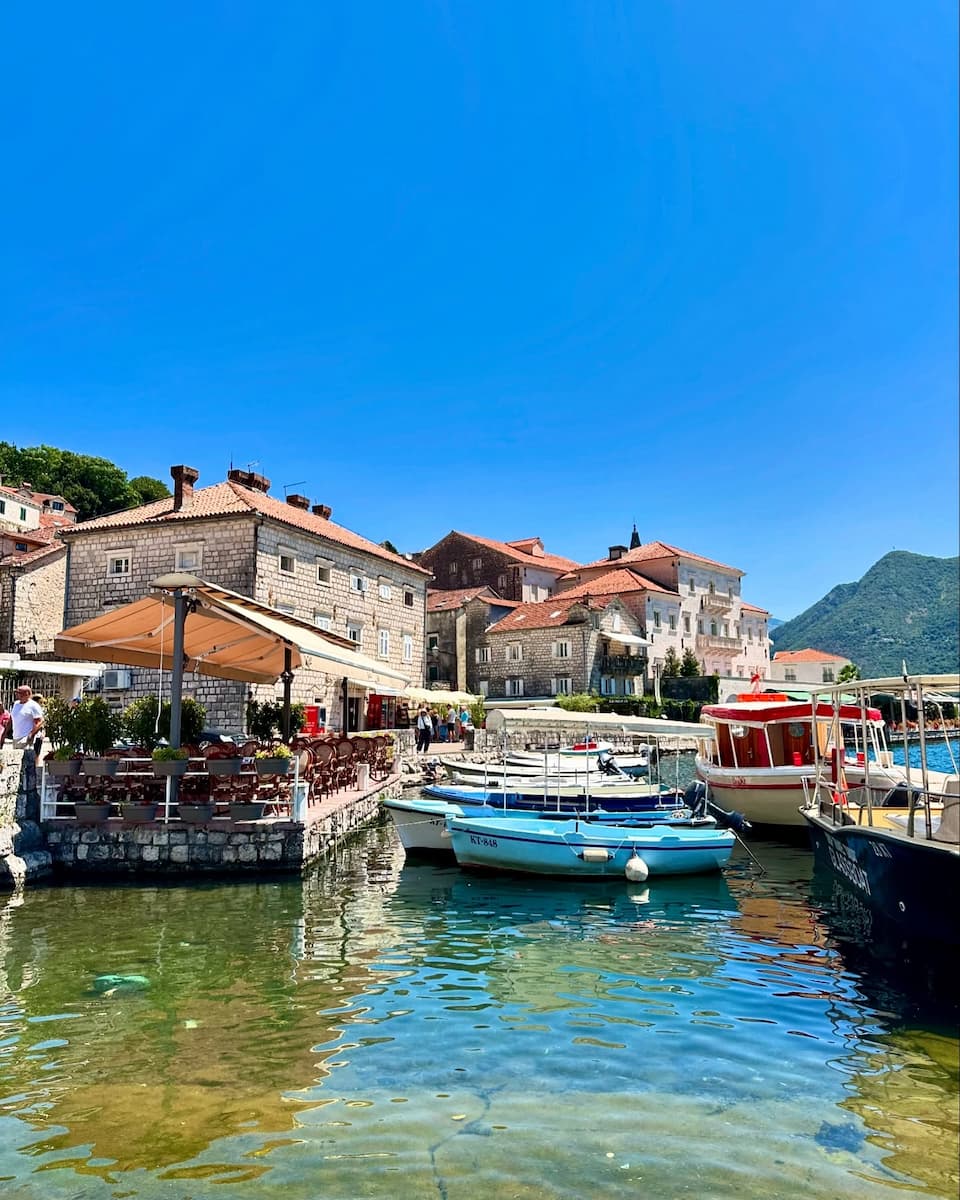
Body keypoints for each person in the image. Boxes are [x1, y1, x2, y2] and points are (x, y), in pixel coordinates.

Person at [10, 686, 44, 757]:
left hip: (26, 738)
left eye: (19, 693)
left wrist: (31, 734)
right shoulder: (16, 704)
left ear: (27, 694)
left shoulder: (33, 705)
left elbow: (40, 721)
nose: (17, 694)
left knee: (26, 761)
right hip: (16, 736)